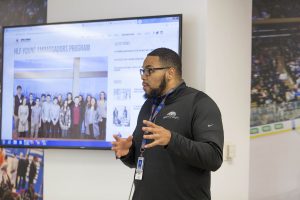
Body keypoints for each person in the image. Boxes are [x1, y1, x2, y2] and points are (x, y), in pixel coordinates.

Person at [111, 48, 224, 200]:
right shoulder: (148, 106)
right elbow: (141, 160)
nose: (143, 77)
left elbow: (213, 158)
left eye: (149, 71)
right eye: (143, 71)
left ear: (170, 72)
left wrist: (172, 140)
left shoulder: (200, 103)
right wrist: (128, 153)